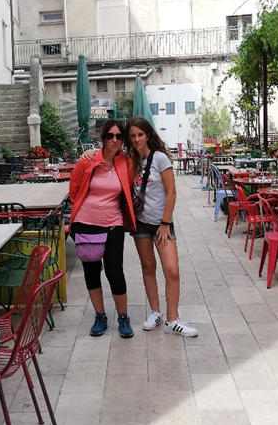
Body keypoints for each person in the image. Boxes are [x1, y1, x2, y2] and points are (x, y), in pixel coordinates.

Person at [128, 117, 197, 337]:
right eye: (132, 136)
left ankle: (172, 320)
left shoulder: (160, 158)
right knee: (148, 267)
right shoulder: (130, 160)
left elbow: (171, 192)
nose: (137, 139)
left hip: (161, 224)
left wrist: (165, 223)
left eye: (140, 134)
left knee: (172, 270)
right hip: (140, 223)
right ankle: (155, 312)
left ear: (148, 135)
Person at [68, 120, 137, 339]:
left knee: (115, 271)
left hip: (114, 223)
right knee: (91, 271)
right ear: (103, 138)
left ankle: (123, 316)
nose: (115, 140)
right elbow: (74, 191)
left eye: (119, 136)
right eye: (110, 136)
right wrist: (89, 211)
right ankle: (100, 316)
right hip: (86, 223)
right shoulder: (87, 160)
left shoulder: (126, 162)